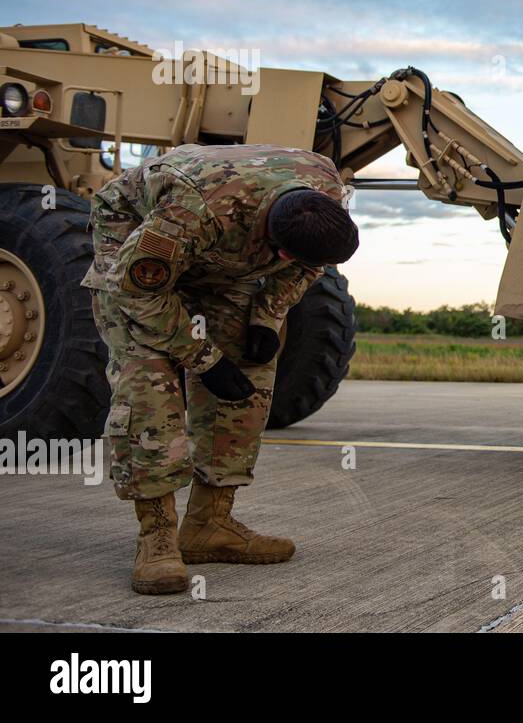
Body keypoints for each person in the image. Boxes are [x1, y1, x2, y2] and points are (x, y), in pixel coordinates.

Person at [81, 144, 360, 595]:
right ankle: (156, 538)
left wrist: (267, 316)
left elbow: (308, 265)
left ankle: (209, 524)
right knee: (147, 382)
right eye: (289, 256)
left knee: (250, 375)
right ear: (277, 245)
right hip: (133, 244)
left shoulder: (325, 193)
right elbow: (140, 294)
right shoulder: (190, 210)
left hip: (226, 252)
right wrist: (204, 359)